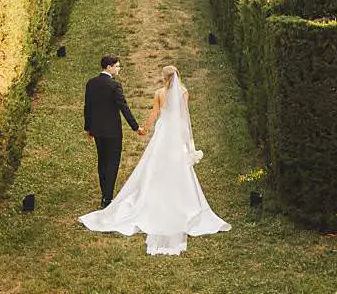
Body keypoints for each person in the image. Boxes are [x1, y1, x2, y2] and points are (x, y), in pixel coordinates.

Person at [80, 65, 230, 255]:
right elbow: (185, 115)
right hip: (176, 131)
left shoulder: (160, 93)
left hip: (164, 130)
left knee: (155, 162)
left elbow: (154, 113)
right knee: (177, 164)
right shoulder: (184, 92)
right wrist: (188, 139)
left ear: (165, 78)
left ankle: (153, 195)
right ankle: (181, 198)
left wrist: (144, 128)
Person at [84, 55, 141, 208]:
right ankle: (107, 198)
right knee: (112, 163)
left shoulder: (91, 83)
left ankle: (105, 194)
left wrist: (88, 128)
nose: (119, 68)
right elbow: (124, 107)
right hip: (113, 132)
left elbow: (87, 106)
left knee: (102, 161)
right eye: (117, 66)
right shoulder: (114, 85)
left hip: (97, 130)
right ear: (109, 67)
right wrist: (136, 127)